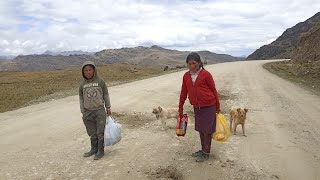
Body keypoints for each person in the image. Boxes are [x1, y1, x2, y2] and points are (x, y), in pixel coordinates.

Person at [178, 52, 220, 162]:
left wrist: (217, 106)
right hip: (197, 107)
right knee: (201, 129)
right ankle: (203, 150)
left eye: (194, 63)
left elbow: (213, 90)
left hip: (209, 106)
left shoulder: (206, 74)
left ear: (199, 63)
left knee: (207, 130)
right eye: (189, 64)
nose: (192, 66)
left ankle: (206, 152)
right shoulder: (186, 76)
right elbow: (183, 92)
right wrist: (180, 107)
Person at [79, 61, 112, 160]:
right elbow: (81, 98)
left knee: (100, 132)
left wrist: (108, 107)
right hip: (87, 112)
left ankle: (100, 151)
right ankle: (93, 149)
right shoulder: (82, 85)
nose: (88, 72)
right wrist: (83, 110)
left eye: (90, 70)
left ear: (94, 70)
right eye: (86, 70)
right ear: (83, 72)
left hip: (99, 111)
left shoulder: (100, 82)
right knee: (92, 133)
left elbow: (105, 94)